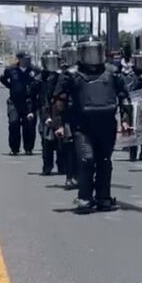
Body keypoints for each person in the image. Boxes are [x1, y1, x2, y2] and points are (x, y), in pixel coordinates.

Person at [58, 37, 130, 211]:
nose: (92, 56)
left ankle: (103, 197)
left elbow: (124, 97)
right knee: (86, 160)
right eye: (88, 52)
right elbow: (58, 100)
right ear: (81, 53)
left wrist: (126, 121)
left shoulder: (113, 72)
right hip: (82, 126)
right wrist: (59, 124)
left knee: (104, 161)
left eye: (95, 51)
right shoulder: (71, 74)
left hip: (107, 126)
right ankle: (84, 198)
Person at [0, 52, 38, 156]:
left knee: (29, 126)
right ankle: (14, 148)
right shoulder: (11, 69)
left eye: (28, 59)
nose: (27, 61)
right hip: (14, 102)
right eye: (25, 59)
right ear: (19, 59)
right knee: (13, 123)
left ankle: (28, 148)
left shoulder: (34, 70)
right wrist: (11, 87)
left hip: (29, 103)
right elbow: (2, 79)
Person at [53, 42, 79, 190]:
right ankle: (70, 176)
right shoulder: (63, 75)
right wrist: (58, 124)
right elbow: (56, 100)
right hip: (68, 116)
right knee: (69, 147)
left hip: (85, 115)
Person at [35, 50, 63, 176]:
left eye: (54, 61)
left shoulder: (63, 76)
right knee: (47, 141)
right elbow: (35, 97)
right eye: (49, 62)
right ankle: (47, 166)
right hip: (45, 110)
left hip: (61, 112)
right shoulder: (39, 78)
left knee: (62, 141)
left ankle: (63, 166)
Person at [125, 51, 142, 161]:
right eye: (138, 61)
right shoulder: (129, 75)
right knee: (132, 128)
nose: (140, 64)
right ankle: (133, 151)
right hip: (132, 103)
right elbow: (128, 89)